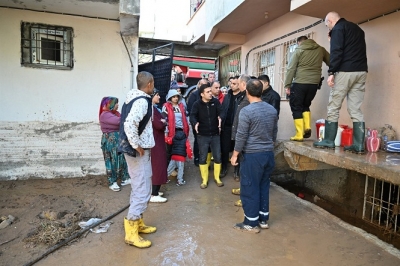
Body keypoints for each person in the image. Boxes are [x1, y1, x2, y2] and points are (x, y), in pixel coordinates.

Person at [314, 12, 368, 154]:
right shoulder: (357, 29)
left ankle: (329, 141)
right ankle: (359, 145)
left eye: (328, 25)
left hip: (345, 71)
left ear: (331, 21)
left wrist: (331, 72)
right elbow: (350, 48)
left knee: (334, 105)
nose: (328, 29)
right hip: (361, 71)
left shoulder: (338, 29)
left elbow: (337, 51)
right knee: (355, 108)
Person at [231, 79, 278, 233]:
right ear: (261, 92)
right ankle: (263, 219)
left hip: (253, 156)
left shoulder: (247, 111)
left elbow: (241, 135)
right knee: (264, 186)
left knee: (250, 187)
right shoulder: (271, 110)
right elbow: (274, 133)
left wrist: (235, 154)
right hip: (268, 154)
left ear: (247, 92)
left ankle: (251, 223)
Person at [119, 71, 156, 249]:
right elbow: (129, 124)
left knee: (142, 185)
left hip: (140, 151)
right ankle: (131, 232)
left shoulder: (134, 98)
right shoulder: (141, 101)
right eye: (153, 83)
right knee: (141, 189)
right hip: (137, 152)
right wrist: (137, 146)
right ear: (149, 84)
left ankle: (138, 222)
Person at [284, 36, 330, 141]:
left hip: (300, 82)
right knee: (306, 105)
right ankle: (307, 127)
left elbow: (291, 68)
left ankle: (299, 134)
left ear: (299, 42)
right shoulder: (321, 49)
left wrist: (287, 85)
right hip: (314, 84)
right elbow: (331, 61)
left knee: (296, 107)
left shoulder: (299, 50)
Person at [190, 83, 224, 188]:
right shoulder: (197, 104)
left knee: (218, 156)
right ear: (202, 94)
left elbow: (222, 112)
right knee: (203, 157)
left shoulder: (216, 102)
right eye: (208, 92)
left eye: (210, 91)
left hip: (215, 134)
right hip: (202, 135)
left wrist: (220, 117)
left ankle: (217, 178)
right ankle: (204, 180)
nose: (210, 93)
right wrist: (195, 123)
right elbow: (192, 116)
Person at [99, 97, 130, 192]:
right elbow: (119, 122)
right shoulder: (105, 115)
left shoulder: (115, 114)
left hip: (117, 140)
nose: (117, 105)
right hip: (110, 141)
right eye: (116, 103)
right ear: (110, 104)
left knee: (121, 160)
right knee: (111, 161)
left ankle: (124, 178)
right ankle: (112, 182)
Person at [163, 89, 190, 186]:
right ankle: (168, 172)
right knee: (170, 152)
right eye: (174, 96)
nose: (175, 98)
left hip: (181, 132)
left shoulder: (181, 106)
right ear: (170, 97)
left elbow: (186, 118)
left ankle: (178, 170)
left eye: (177, 96)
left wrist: (186, 131)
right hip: (171, 132)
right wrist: (166, 134)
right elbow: (164, 120)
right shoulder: (166, 107)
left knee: (180, 152)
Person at [219, 76, 240, 178]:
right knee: (225, 149)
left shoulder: (243, 97)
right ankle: (224, 168)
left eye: (234, 83)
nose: (231, 85)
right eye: (231, 83)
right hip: (226, 127)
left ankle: (237, 172)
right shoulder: (227, 96)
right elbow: (223, 110)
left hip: (238, 128)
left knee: (237, 149)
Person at [150, 89, 168, 203]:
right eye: (157, 95)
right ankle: (154, 193)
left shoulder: (153, 109)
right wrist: (164, 120)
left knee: (159, 165)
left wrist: (163, 120)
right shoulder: (151, 109)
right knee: (157, 166)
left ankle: (155, 191)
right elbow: (158, 124)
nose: (159, 97)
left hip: (157, 140)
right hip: (155, 141)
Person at [187, 78, 209, 166]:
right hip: (197, 123)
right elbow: (190, 110)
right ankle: (197, 158)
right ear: (198, 85)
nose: (203, 86)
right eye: (202, 84)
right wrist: (194, 122)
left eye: (205, 84)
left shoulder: (209, 95)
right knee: (197, 140)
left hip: (207, 123)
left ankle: (205, 158)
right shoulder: (193, 95)